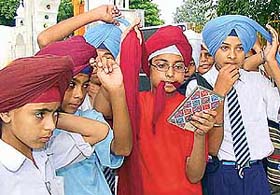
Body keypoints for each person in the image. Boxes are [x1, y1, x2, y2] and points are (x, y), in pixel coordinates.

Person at [95, 24, 226, 195]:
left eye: (178, 66)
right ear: (148, 68)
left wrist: (200, 135)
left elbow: (195, 176)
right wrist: (120, 62)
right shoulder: (134, 104)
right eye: (162, 65)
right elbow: (99, 110)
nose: (170, 73)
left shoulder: (192, 108)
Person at [36, 32, 132, 195]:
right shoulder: (30, 127)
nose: (79, 94)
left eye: (85, 85)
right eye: (71, 84)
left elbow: (122, 149)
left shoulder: (88, 117)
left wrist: (117, 90)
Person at [0, 55, 109, 195]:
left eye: (55, 113)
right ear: (6, 113)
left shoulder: (45, 154)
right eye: (39, 114)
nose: (52, 126)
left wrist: (51, 115)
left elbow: (99, 131)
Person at [201, 15, 280, 195]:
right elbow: (209, 146)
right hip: (219, 174)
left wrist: (272, 62)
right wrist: (219, 92)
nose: (232, 55)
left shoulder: (257, 81)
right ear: (213, 49)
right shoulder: (198, 85)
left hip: (256, 173)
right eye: (224, 47)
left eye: (239, 48)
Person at [37, 4, 129, 111]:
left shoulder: (114, 93)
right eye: (93, 57)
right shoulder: (65, 83)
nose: (97, 64)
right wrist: (96, 14)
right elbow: (44, 40)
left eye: (106, 58)